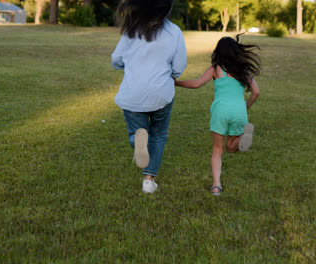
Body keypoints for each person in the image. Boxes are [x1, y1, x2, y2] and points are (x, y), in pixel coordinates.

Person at [111, 0, 187, 193]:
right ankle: (148, 181)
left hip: (132, 94)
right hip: (161, 93)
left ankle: (136, 142)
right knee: (159, 134)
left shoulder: (132, 29)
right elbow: (179, 66)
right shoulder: (175, 32)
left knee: (136, 133)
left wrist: (129, 66)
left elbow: (116, 59)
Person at [174, 35, 260, 196]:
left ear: (218, 52)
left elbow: (197, 83)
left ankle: (216, 186)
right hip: (239, 111)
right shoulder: (244, 70)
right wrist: (246, 106)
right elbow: (256, 92)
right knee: (231, 147)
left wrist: (176, 82)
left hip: (221, 111)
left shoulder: (215, 69)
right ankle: (242, 138)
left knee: (218, 150)